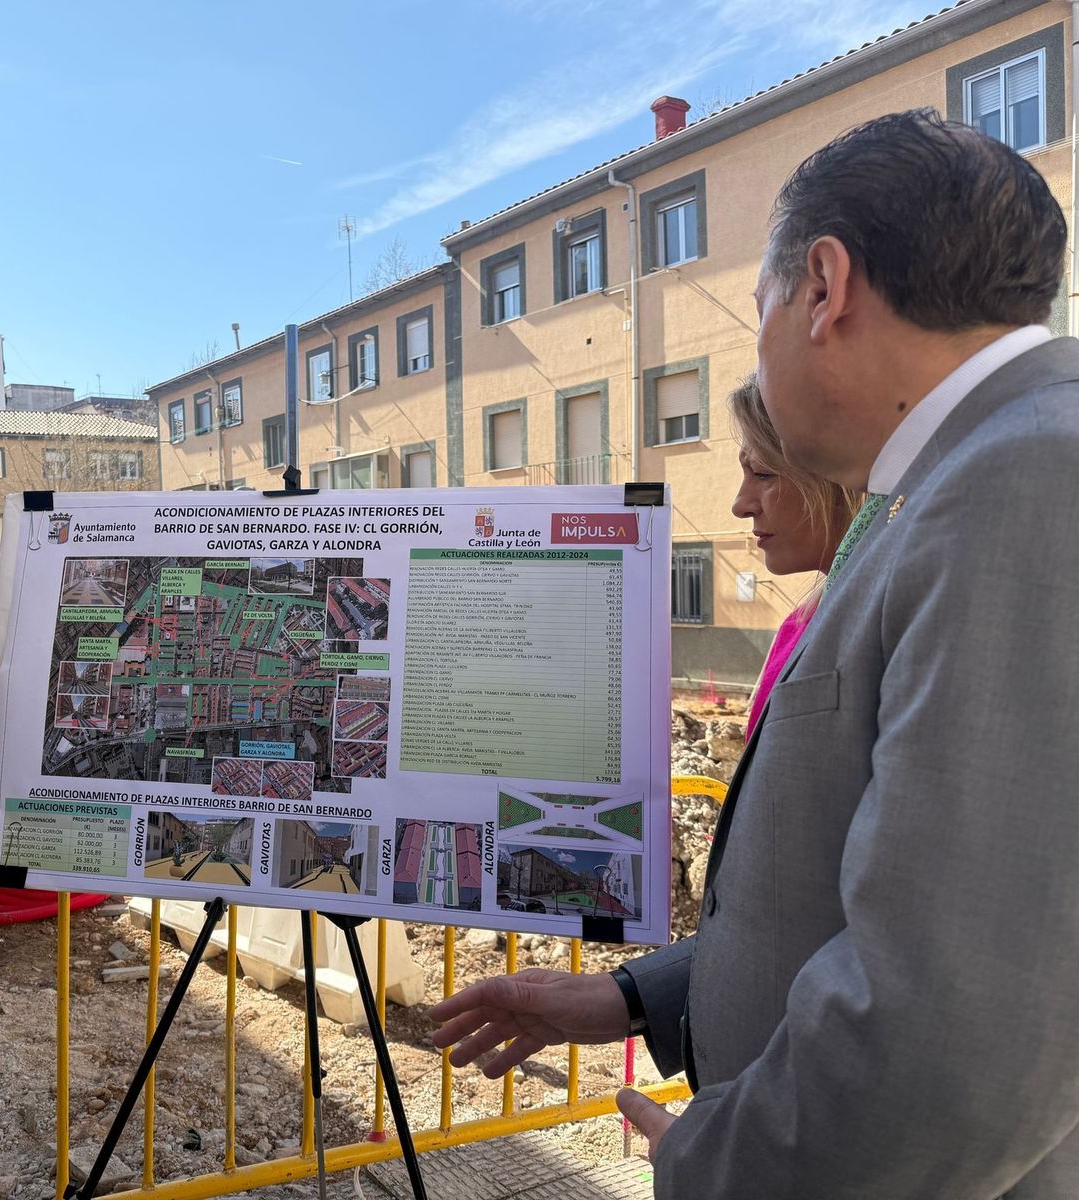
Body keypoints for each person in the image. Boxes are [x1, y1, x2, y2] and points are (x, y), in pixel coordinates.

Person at [430, 108, 1079, 1196]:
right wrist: (638, 999)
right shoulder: (939, 487)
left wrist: (719, 1168)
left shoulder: (1028, 481)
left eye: (762, 305)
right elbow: (845, 887)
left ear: (823, 288)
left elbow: (960, 1023)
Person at [726, 373, 858, 734]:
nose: (740, 505)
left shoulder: (877, 624)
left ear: (837, 477)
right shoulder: (801, 622)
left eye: (763, 473)